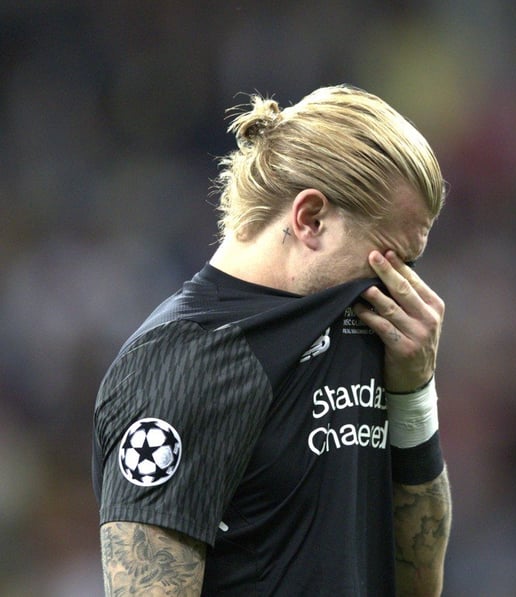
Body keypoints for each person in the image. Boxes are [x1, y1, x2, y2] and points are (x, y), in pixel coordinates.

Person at [91, 85, 452, 596]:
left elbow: (417, 584)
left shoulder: (368, 331)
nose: (404, 286)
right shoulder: (187, 360)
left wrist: (414, 395)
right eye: (392, 258)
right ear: (311, 219)